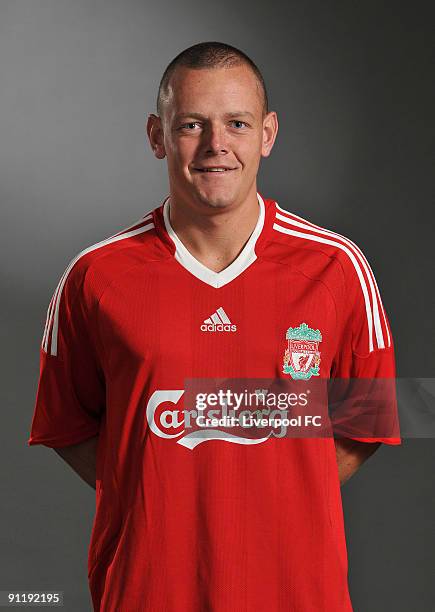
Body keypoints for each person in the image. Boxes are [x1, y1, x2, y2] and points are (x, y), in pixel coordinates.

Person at [28, 41, 401, 611]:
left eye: (237, 123)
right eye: (192, 125)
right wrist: (156, 487)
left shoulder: (336, 268)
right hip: (147, 593)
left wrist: (273, 488)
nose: (216, 146)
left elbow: (368, 420)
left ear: (268, 134)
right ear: (157, 135)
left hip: (297, 594)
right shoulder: (94, 277)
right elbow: (69, 425)